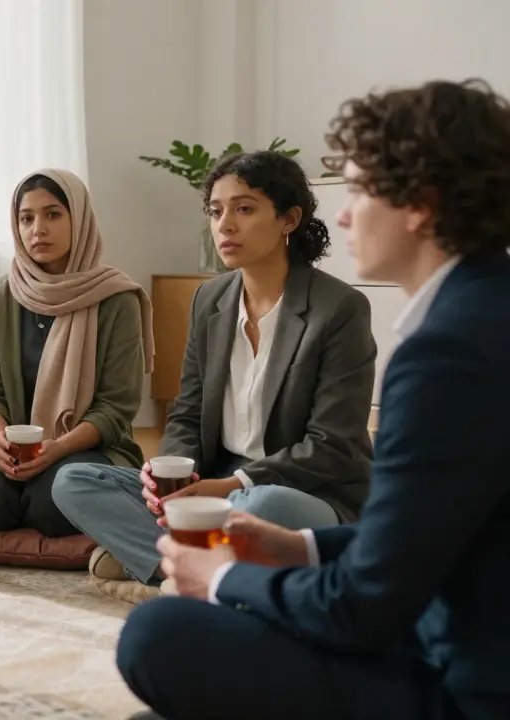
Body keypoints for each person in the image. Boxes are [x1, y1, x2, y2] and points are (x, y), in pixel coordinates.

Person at [118, 79, 510, 720]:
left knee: (153, 634)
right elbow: (432, 540)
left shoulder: (447, 353)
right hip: (448, 619)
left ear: (421, 204)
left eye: (359, 191)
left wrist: (222, 579)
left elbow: (362, 607)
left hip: (462, 684)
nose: (345, 215)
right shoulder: (483, 312)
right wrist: (297, 549)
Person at [52, 150, 376, 602]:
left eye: (244, 209)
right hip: (215, 484)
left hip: (305, 492)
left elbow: (331, 445)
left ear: (289, 219)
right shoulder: (210, 300)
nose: (225, 225)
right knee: (74, 481)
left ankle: (168, 562)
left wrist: (231, 486)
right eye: (216, 211)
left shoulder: (338, 309)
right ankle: (194, 570)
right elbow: (186, 413)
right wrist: (172, 478)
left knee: (261, 504)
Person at [0, 169, 153, 538]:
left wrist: (57, 448)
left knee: (52, 504)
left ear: (81, 220)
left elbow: (115, 406)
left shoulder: (116, 299)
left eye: (53, 214)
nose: (38, 229)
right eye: (26, 218)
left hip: (82, 444)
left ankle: (38, 502)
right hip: (9, 444)